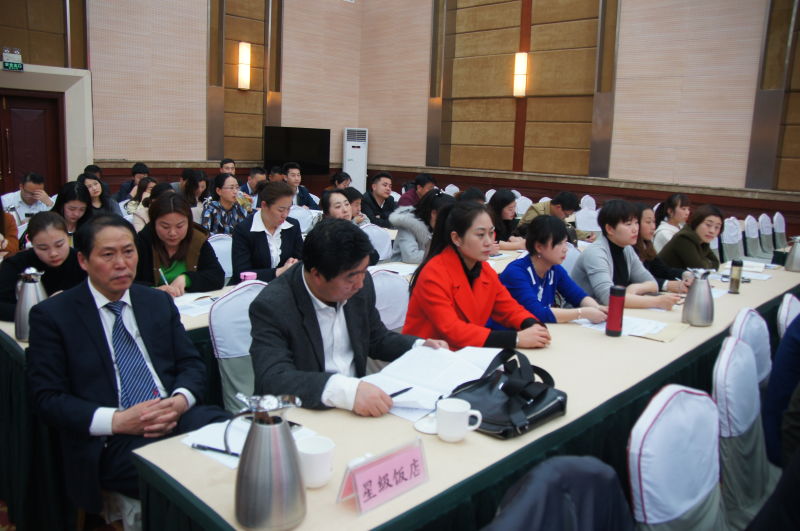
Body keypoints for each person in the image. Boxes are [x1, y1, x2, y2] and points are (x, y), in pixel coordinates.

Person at [25, 215, 230, 512]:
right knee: (188, 477)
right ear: (83, 260)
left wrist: (180, 400)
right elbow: (47, 398)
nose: (121, 263)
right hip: (112, 437)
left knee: (241, 440)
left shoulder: (155, 301)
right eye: (108, 254)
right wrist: (118, 420)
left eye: (128, 251)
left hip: (174, 414)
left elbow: (191, 363)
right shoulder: (53, 315)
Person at [249, 218, 448, 415]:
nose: (360, 284)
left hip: (356, 405)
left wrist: (418, 347)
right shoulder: (273, 305)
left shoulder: (360, 281)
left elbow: (375, 337)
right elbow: (273, 378)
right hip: (305, 411)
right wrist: (345, 390)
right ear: (317, 275)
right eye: (352, 277)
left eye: (364, 271)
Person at [403, 202, 551, 350]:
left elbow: (508, 307)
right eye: (480, 235)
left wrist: (531, 324)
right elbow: (452, 330)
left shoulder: (484, 269)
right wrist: (516, 339)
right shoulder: (433, 273)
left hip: (466, 352)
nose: (489, 242)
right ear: (456, 238)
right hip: (430, 356)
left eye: (491, 232)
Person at [496, 215, 607, 324]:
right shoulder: (516, 273)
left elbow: (577, 295)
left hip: (537, 330)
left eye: (565, 242)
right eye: (559, 243)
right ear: (539, 247)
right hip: (509, 332)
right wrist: (581, 313)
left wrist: (597, 308)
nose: (565, 249)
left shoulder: (554, 268)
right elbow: (536, 313)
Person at [571, 199, 680, 309]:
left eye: (636, 223)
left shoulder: (626, 249)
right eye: (628, 224)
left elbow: (652, 284)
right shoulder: (595, 253)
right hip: (582, 315)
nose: (635, 229)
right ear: (609, 229)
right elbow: (609, 298)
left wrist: (635, 288)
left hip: (610, 313)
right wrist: (657, 301)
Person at [0, 211, 85, 320]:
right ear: (31, 242)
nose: (53, 253)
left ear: (68, 236)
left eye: (59, 245)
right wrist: (44, 308)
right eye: (43, 248)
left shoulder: (82, 261)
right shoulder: (16, 264)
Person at [135, 193, 224, 296]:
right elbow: (128, 283)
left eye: (179, 226)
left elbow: (217, 276)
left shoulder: (197, 239)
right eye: (165, 227)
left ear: (189, 223)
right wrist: (153, 291)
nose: (173, 233)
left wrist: (187, 279)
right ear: (154, 223)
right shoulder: (143, 242)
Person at [231, 181, 303, 283]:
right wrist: (279, 272)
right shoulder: (244, 229)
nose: (285, 215)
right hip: (252, 287)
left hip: (284, 286)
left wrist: (294, 263)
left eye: (288, 209)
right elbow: (242, 273)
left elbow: (301, 260)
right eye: (281, 210)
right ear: (264, 205)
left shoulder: (292, 226)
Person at [633, 203, 692, 293]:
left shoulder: (646, 245)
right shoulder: (629, 248)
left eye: (654, 222)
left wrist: (685, 274)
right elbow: (637, 280)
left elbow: (663, 270)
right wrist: (666, 285)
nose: (653, 227)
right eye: (648, 222)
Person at [389, 189, 454, 263]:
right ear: (434, 214)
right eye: (446, 216)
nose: (449, 221)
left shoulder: (438, 226)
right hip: (402, 268)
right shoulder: (407, 224)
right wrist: (443, 255)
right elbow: (411, 257)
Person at [657, 205, 722, 270]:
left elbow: (716, 263)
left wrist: (705, 263)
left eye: (717, 227)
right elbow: (699, 268)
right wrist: (707, 263)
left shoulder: (703, 240)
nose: (712, 231)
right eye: (708, 225)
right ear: (697, 222)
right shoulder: (684, 237)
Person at [515, 191, 595, 243]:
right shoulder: (536, 210)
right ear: (558, 207)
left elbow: (567, 228)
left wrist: (587, 235)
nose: (565, 218)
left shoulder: (557, 213)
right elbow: (527, 233)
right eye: (566, 215)